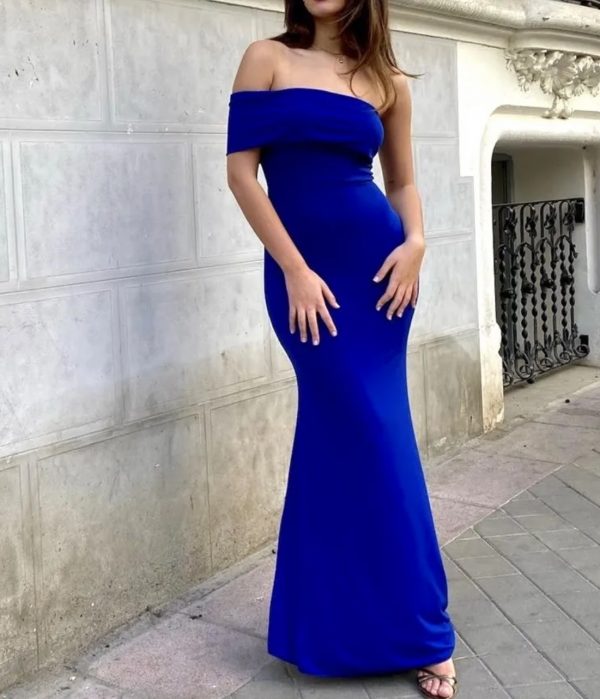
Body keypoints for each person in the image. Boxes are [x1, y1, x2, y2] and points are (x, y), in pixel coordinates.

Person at [225, 0, 458, 696]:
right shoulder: (267, 58)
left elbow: (403, 181)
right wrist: (294, 269)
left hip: (380, 276)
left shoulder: (387, 78)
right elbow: (241, 174)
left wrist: (416, 243)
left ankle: (415, 631)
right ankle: (345, 626)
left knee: (378, 437)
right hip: (304, 279)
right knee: (352, 430)